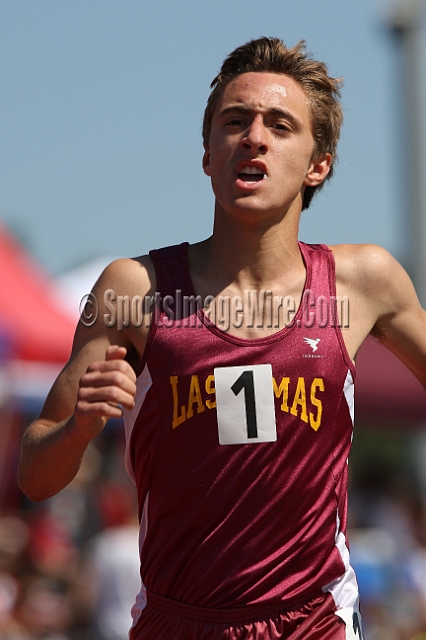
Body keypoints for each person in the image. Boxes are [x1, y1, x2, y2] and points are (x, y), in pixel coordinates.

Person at [18, 37, 426, 640]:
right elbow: (34, 474)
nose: (254, 136)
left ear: (320, 163)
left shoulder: (363, 280)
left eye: (280, 125)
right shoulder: (136, 289)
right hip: (177, 620)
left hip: (314, 622)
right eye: (235, 121)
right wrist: (79, 427)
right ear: (208, 153)